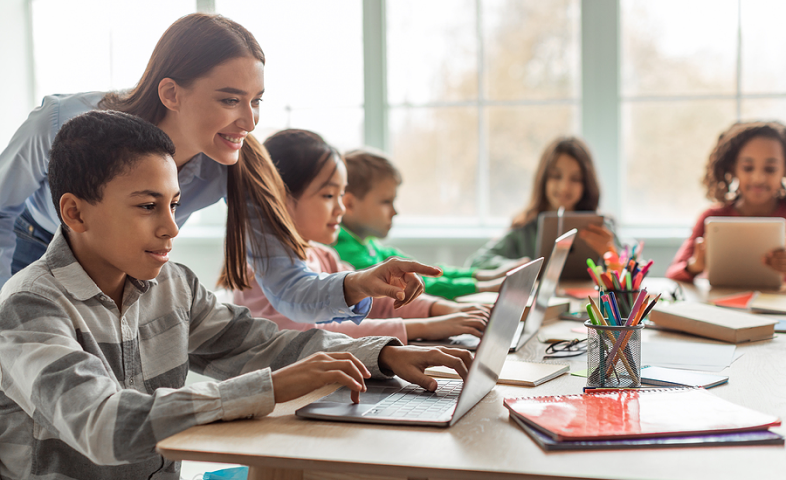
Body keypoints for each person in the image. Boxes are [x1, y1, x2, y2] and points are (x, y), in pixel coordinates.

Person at [0, 111, 472, 479]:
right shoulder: (28, 306)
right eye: (147, 206)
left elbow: (266, 346)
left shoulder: (173, 285)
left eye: (174, 205)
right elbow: (103, 426)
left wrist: (383, 355)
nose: (169, 228)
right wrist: (267, 387)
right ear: (75, 214)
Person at [0, 13, 438, 324]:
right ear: (171, 93)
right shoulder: (61, 121)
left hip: (123, 263)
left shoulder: (236, 164)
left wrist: (360, 283)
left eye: (256, 100)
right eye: (230, 100)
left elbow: (286, 287)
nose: (249, 122)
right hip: (31, 248)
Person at [231, 130, 489, 344]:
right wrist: (426, 327)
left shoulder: (325, 256)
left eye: (341, 196)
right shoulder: (262, 272)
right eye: (329, 196)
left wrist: (449, 311)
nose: (341, 209)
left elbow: (377, 302)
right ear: (281, 198)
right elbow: (314, 337)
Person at [331, 148, 521, 300]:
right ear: (349, 204)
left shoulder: (368, 244)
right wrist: (486, 286)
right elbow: (414, 286)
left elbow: (423, 270)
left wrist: (483, 275)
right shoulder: (341, 250)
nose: (395, 212)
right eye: (386, 202)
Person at [467, 136, 617, 270]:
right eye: (556, 176)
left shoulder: (601, 228)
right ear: (543, 179)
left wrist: (611, 255)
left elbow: (633, 271)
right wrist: (516, 267)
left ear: (586, 184)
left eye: (575, 179)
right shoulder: (525, 228)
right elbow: (476, 262)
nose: (564, 187)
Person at [666, 121, 786, 281]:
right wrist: (696, 265)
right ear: (732, 168)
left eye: (770, 169)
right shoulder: (712, 217)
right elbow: (673, 273)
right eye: (747, 167)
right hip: (720, 304)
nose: (758, 178)